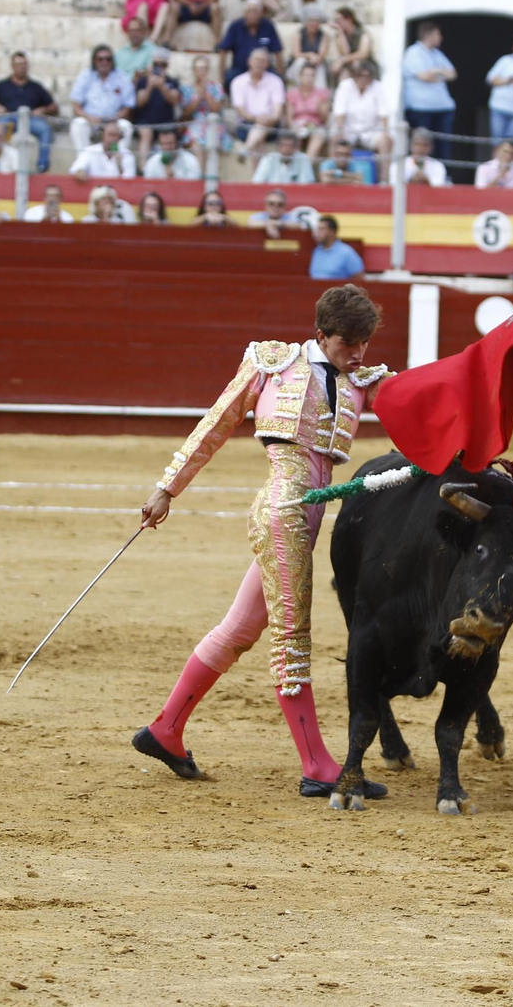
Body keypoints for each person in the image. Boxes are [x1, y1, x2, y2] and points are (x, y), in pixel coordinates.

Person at [132, 285, 390, 796]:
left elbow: (419, 408)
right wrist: (166, 489)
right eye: (348, 343)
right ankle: (317, 766)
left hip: (308, 516)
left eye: (365, 343)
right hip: (283, 511)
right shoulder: (274, 363)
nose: (359, 353)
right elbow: (216, 422)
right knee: (293, 634)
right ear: (321, 335)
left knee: (238, 630)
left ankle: (165, 730)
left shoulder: (363, 378)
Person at [0, 52, 58, 173]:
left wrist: (43, 110)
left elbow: (54, 107)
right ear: (12, 66)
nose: (22, 67)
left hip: (30, 120)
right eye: (19, 64)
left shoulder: (35, 87)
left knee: (45, 129)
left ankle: (42, 166)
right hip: (9, 119)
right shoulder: (2, 86)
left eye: (24, 64)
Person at [68, 44, 136, 153]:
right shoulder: (85, 76)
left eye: (108, 59)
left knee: (126, 127)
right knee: (78, 124)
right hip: (91, 121)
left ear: (112, 61)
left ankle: (118, 161)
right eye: (100, 59)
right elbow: (76, 107)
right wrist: (90, 118)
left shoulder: (122, 77)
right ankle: (84, 161)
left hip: (114, 120)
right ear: (95, 61)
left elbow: (128, 107)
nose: (104, 62)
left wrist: (115, 118)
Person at [401, 21, 456, 152]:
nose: (441, 38)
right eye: (438, 34)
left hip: (443, 108)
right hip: (421, 109)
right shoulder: (413, 53)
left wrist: (434, 72)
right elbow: (424, 76)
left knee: (443, 147)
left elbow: (453, 74)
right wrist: (441, 72)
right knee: (421, 145)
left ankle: (443, 172)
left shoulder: (438, 54)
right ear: (428, 35)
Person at [232, 47, 286, 162]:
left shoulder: (276, 81)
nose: (259, 63)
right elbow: (241, 110)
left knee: (261, 128)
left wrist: (267, 119)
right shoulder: (238, 82)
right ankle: (258, 178)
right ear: (249, 61)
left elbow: (277, 112)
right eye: (257, 59)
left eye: (263, 60)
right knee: (259, 136)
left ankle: (247, 149)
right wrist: (257, 118)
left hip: (271, 124)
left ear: (267, 64)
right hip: (246, 125)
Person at [330, 61, 390, 163]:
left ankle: (384, 178)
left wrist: (385, 132)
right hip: (348, 130)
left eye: (367, 76)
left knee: (386, 141)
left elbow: (383, 113)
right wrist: (340, 131)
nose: (364, 79)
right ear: (355, 76)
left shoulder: (378, 86)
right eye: (361, 75)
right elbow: (339, 112)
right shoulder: (345, 86)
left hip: (371, 132)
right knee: (335, 138)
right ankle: (332, 170)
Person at [217, 0, 283, 89]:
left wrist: (281, 73)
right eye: (249, 11)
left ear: (261, 13)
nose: (252, 15)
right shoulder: (235, 26)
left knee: (278, 80)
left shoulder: (268, 26)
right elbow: (223, 50)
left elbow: (278, 51)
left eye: (255, 11)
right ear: (244, 13)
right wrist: (222, 76)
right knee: (229, 79)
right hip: (240, 69)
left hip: (264, 69)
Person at [132, 47, 184, 157]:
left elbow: (174, 101)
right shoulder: (143, 81)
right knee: (146, 134)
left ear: (167, 66)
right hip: (145, 121)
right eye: (156, 64)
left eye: (162, 65)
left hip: (166, 122)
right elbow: (140, 102)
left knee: (169, 138)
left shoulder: (172, 82)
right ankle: (143, 170)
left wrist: (162, 87)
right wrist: (149, 87)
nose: (159, 68)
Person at [181, 54, 230, 154]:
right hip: (195, 123)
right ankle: (201, 170)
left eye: (203, 68)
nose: (201, 71)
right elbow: (186, 112)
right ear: (193, 70)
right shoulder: (187, 88)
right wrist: (198, 96)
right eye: (198, 68)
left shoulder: (216, 86)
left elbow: (216, 109)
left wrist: (206, 93)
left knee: (212, 138)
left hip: (214, 122)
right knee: (196, 143)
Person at [284, 61, 330, 161]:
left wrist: (320, 106)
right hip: (297, 125)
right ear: (300, 77)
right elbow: (289, 117)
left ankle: (307, 164)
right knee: (295, 137)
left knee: (319, 135)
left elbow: (325, 119)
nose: (309, 78)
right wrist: (295, 127)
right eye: (306, 75)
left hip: (315, 126)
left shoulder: (322, 93)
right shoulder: (292, 93)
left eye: (312, 75)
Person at [285, 5, 333, 91]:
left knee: (319, 66)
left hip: (316, 63)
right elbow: (297, 54)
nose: (313, 24)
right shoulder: (298, 34)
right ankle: (301, 90)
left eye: (316, 21)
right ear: (306, 22)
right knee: (301, 62)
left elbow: (322, 54)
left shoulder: (324, 36)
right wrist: (309, 55)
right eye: (311, 21)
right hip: (297, 65)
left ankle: (321, 93)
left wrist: (315, 60)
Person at [70, 120, 138, 180]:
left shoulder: (126, 154)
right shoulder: (90, 151)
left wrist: (119, 166)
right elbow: (76, 169)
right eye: (110, 135)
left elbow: (129, 179)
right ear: (102, 136)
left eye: (116, 135)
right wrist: (80, 172)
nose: (113, 139)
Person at [327, 7, 374, 85]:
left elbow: (363, 54)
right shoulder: (339, 35)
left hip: (365, 65)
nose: (337, 22)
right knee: (340, 73)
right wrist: (340, 32)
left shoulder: (363, 34)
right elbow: (345, 52)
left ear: (349, 18)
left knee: (356, 64)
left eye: (338, 20)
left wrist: (343, 60)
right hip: (348, 65)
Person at [309, 215, 364, 280]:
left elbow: (358, 277)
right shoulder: (316, 251)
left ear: (332, 232)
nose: (317, 232)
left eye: (321, 229)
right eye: (317, 229)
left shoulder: (346, 252)